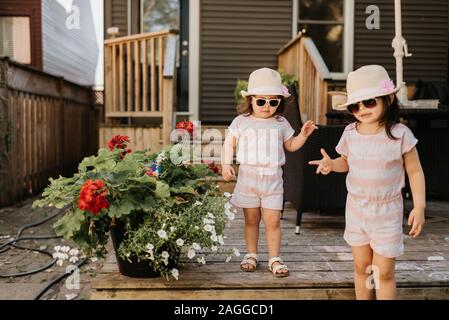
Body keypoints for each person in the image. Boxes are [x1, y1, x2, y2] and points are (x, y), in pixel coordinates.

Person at [309, 65, 426, 299]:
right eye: (355, 105)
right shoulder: (350, 133)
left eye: (369, 102)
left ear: (388, 98)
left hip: (387, 212)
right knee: (361, 268)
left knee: (383, 272)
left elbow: (415, 172)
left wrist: (420, 207)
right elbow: (345, 163)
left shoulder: (400, 134)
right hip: (357, 209)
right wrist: (332, 164)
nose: (362, 109)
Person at [221, 67, 317, 277]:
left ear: (279, 103)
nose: (267, 106)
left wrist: (304, 135)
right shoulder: (241, 121)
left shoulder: (280, 123)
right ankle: (252, 254)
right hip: (248, 178)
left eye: (273, 102)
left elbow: (291, 145)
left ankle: (274, 257)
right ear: (251, 100)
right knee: (251, 219)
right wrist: (226, 164)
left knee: (273, 221)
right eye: (261, 101)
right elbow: (229, 144)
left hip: (273, 179)